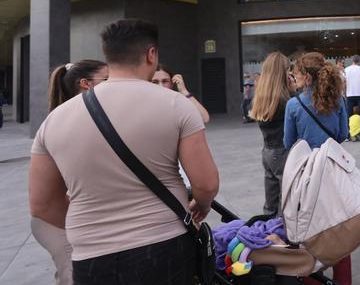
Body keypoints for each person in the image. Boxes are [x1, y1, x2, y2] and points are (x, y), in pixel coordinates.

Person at [29, 19, 219, 284]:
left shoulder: (54, 120)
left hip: (90, 255)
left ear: (108, 53)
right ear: (151, 54)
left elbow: (41, 204)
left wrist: (95, 228)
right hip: (163, 242)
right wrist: (201, 205)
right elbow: (206, 183)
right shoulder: (175, 105)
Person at [33, 60, 109, 285]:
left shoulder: (94, 117)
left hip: (73, 218)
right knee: (73, 277)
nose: (115, 85)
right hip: (58, 221)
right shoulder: (67, 123)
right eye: (107, 80)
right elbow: (43, 202)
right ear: (85, 84)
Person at [282, 51, 351, 283]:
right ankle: (343, 279)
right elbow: (343, 134)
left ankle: (314, 278)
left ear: (308, 77)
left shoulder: (294, 105)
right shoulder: (338, 100)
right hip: (333, 169)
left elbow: (288, 142)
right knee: (338, 224)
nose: (293, 75)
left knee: (310, 228)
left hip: (306, 174)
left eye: (297, 72)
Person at [248, 52, 292, 216]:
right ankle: (280, 232)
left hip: (267, 150)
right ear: (282, 72)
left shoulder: (262, 95)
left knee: (271, 197)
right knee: (285, 198)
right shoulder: (284, 99)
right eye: (288, 69)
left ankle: (267, 227)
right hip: (282, 151)